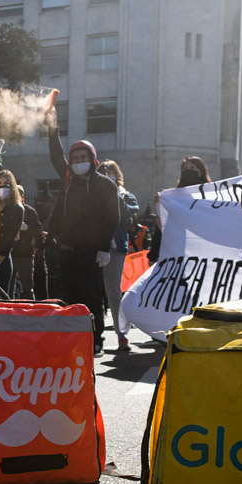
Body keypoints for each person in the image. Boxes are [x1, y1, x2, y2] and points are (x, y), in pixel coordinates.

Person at [46, 116, 120, 354]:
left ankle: (96, 338)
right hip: (68, 251)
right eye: (75, 158)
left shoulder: (105, 185)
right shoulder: (68, 181)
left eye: (83, 158)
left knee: (92, 297)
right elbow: (56, 156)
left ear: (92, 159)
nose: (78, 162)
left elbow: (113, 217)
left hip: (92, 253)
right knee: (71, 297)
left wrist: (104, 248)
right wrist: (52, 127)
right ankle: (75, 337)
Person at [97, 160, 139, 352]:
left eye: (111, 171)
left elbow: (127, 215)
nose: (107, 174)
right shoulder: (94, 193)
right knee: (94, 290)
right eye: (104, 171)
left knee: (113, 291)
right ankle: (93, 333)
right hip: (94, 246)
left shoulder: (125, 195)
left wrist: (113, 190)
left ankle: (121, 332)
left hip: (115, 249)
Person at [148, 157, 212, 264]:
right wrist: (154, 256)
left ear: (201, 171)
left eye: (192, 168)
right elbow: (162, 227)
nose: (188, 171)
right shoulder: (172, 197)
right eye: (185, 169)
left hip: (201, 252)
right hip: (178, 250)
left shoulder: (210, 194)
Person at [0, 170, 23, 293]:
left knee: (0, 297)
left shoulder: (17, 209)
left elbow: (10, 238)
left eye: (7, 183)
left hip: (1, 259)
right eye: (0, 182)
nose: (2, 185)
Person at [12, 184, 43, 299]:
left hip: (25, 254)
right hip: (11, 252)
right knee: (11, 288)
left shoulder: (29, 212)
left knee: (28, 287)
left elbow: (38, 231)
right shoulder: (9, 210)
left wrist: (27, 228)